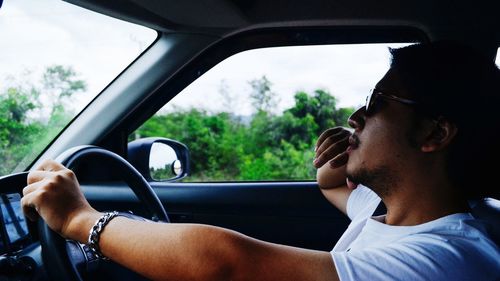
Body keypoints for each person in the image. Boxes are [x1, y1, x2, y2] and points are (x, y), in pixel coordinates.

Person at [21, 42, 499, 281]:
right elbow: (334, 188)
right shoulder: (395, 214)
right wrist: (341, 162)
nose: (355, 116)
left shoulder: (446, 261)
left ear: (434, 133)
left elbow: (226, 263)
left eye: (375, 105)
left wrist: (80, 219)